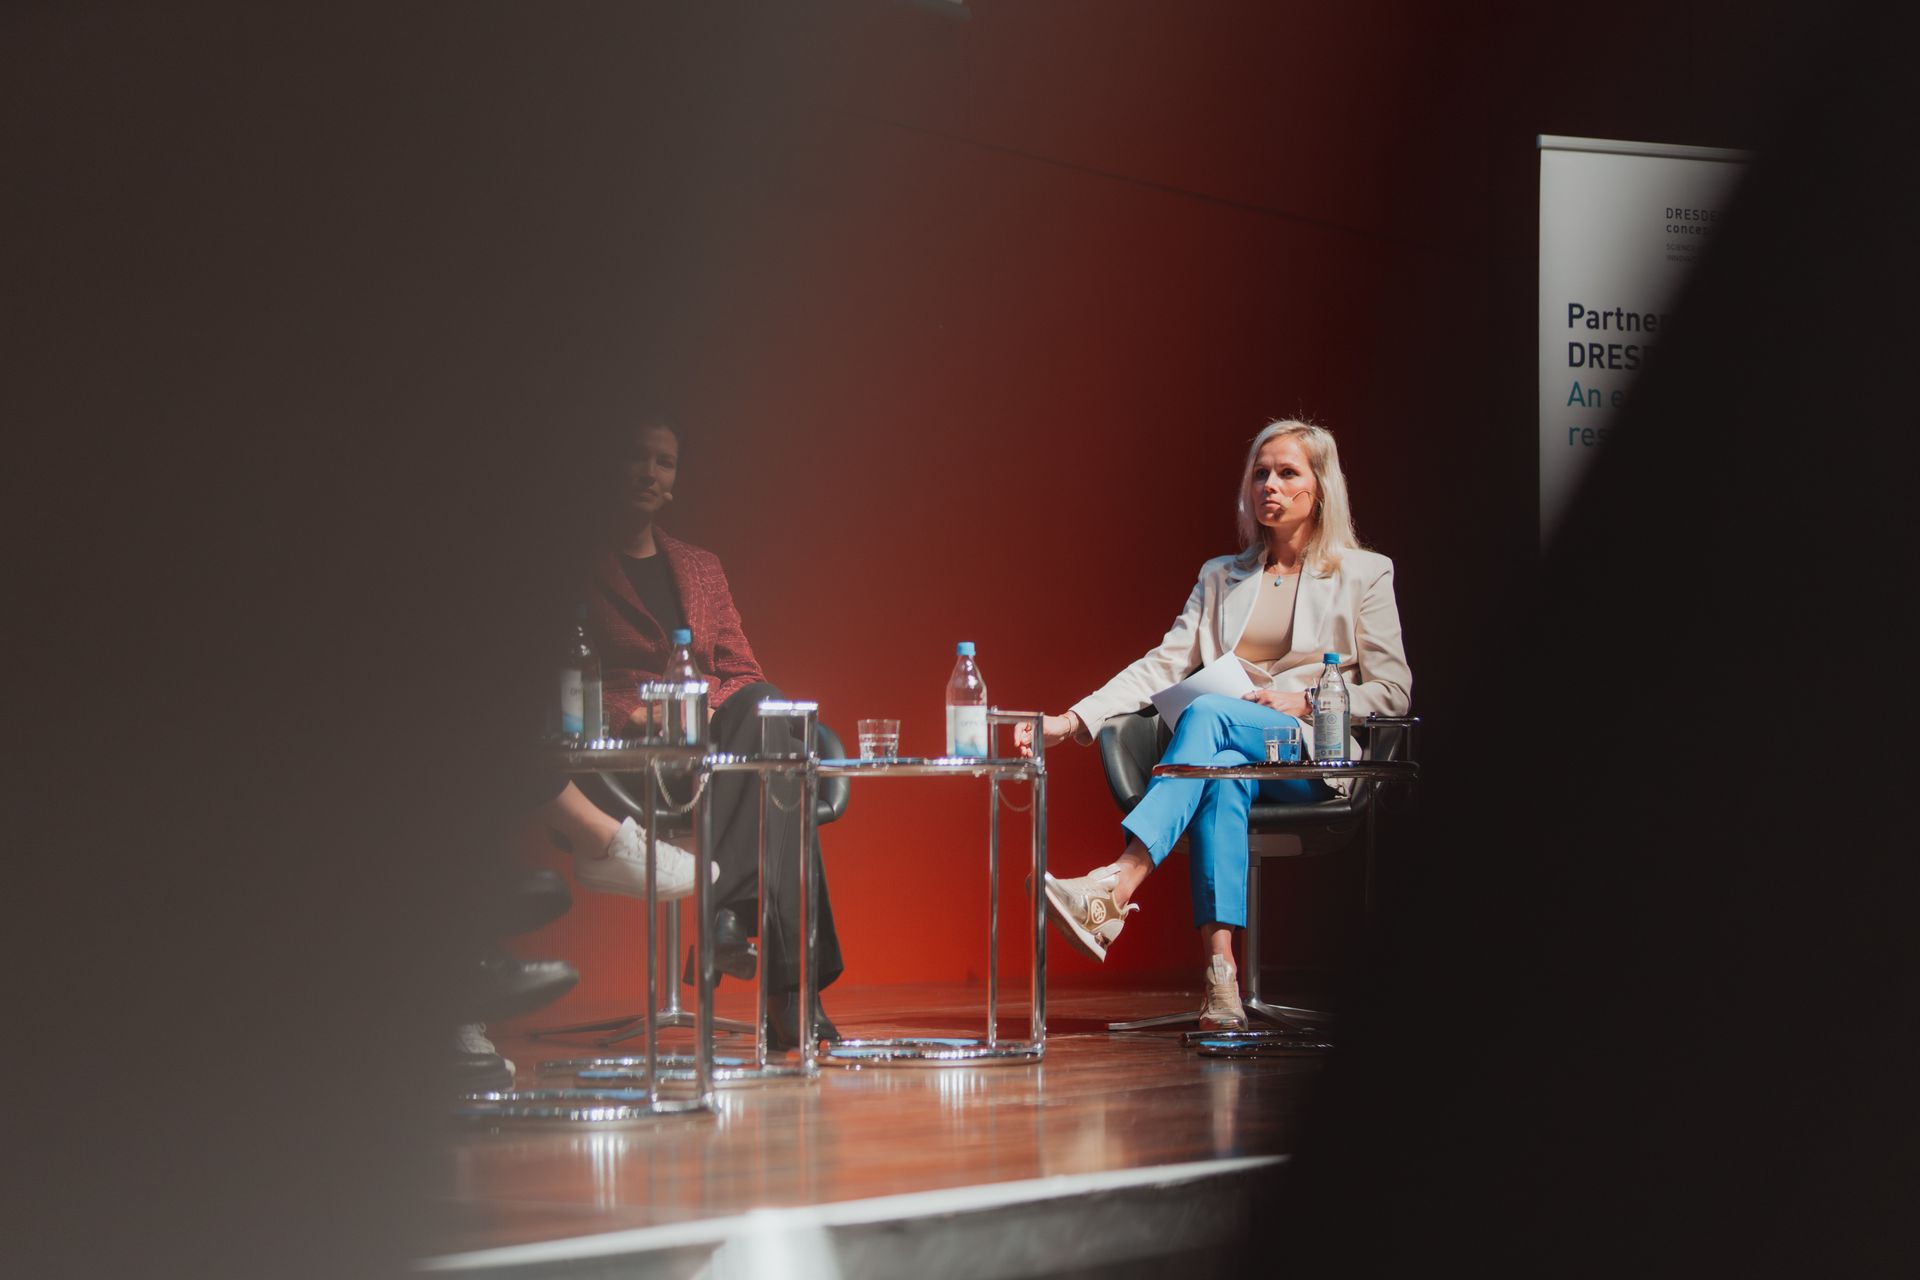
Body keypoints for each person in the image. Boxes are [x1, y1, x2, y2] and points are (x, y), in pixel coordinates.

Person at [1016, 419, 1411, 1029]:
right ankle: (1220, 981)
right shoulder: (1220, 575)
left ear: (1319, 489)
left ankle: (1117, 885)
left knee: (1205, 715)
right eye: (1260, 473)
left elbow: (1393, 692)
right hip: (1233, 753)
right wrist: (1070, 721)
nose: (1269, 485)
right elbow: (1162, 664)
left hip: (1309, 755)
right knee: (1220, 772)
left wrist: (1305, 702)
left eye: (1286, 473)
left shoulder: (1364, 573)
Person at [573, 416, 844, 1050]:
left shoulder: (700, 567)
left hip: (719, 735)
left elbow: (743, 670)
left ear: (673, 482)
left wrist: (700, 709)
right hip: (640, 753)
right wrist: (643, 712)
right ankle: (790, 995)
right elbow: (566, 671)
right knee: (784, 775)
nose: (649, 473)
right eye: (637, 457)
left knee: (767, 709)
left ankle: (727, 918)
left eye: (664, 462)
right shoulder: (571, 565)